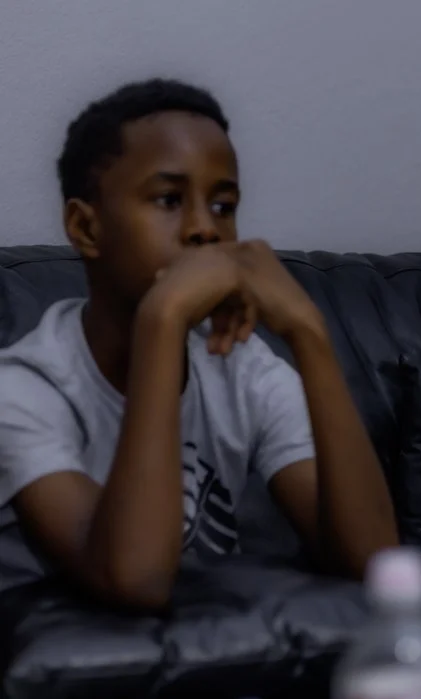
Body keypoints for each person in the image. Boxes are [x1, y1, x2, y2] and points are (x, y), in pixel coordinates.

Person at [0, 79, 399, 610]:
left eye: (223, 205)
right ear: (85, 227)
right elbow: (134, 581)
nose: (203, 231)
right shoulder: (23, 390)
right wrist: (163, 320)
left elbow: (373, 567)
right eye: (168, 199)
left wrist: (308, 332)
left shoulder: (240, 365)